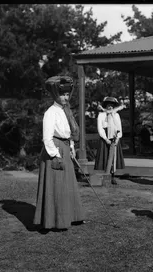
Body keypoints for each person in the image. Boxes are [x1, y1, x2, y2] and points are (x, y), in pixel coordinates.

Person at [33, 76, 86, 231]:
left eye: (67, 94)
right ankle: (55, 220)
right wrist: (55, 155)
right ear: (56, 95)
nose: (65, 97)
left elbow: (67, 133)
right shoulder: (50, 112)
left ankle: (71, 216)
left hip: (64, 146)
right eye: (62, 94)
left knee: (68, 184)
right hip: (54, 150)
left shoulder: (65, 111)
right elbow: (47, 138)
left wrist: (70, 146)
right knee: (57, 185)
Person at [94, 96, 125, 184]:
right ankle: (105, 176)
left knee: (114, 157)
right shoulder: (101, 115)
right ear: (105, 106)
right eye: (108, 105)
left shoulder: (116, 115)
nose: (110, 107)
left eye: (112, 105)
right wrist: (106, 139)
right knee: (105, 156)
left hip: (115, 138)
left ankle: (113, 176)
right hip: (105, 138)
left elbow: (119, 127)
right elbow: (100, 128)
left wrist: (118, 138)